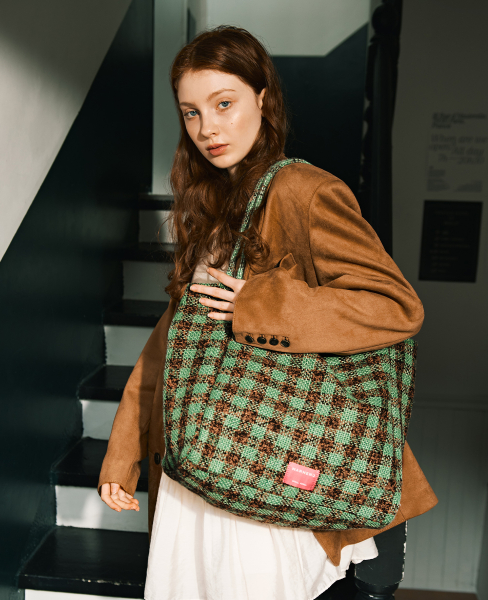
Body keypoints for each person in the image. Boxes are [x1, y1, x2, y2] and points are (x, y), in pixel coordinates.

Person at [98, 26, 437, 600]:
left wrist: (259, 304)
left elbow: (396, 307)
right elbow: (171, 343)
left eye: (223, 104)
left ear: (262, 97)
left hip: (279, 459)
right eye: (191, 112)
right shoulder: (209, 204)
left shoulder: (303, 191)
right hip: (205, 459)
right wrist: (124, 450)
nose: (207, 129)